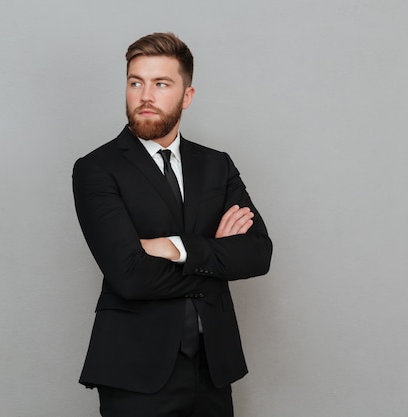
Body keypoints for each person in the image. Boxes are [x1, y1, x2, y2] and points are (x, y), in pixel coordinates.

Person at [72, 32, 273, 417]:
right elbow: (129, 275)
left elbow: (258, 253)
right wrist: (214, 256)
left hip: (214, 369)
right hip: (135, 372)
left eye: (161, 84)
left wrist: (173, 247)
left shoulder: (217, 165)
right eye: (136, 83)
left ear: (187, 96)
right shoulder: (96, 169)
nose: (145, 95)